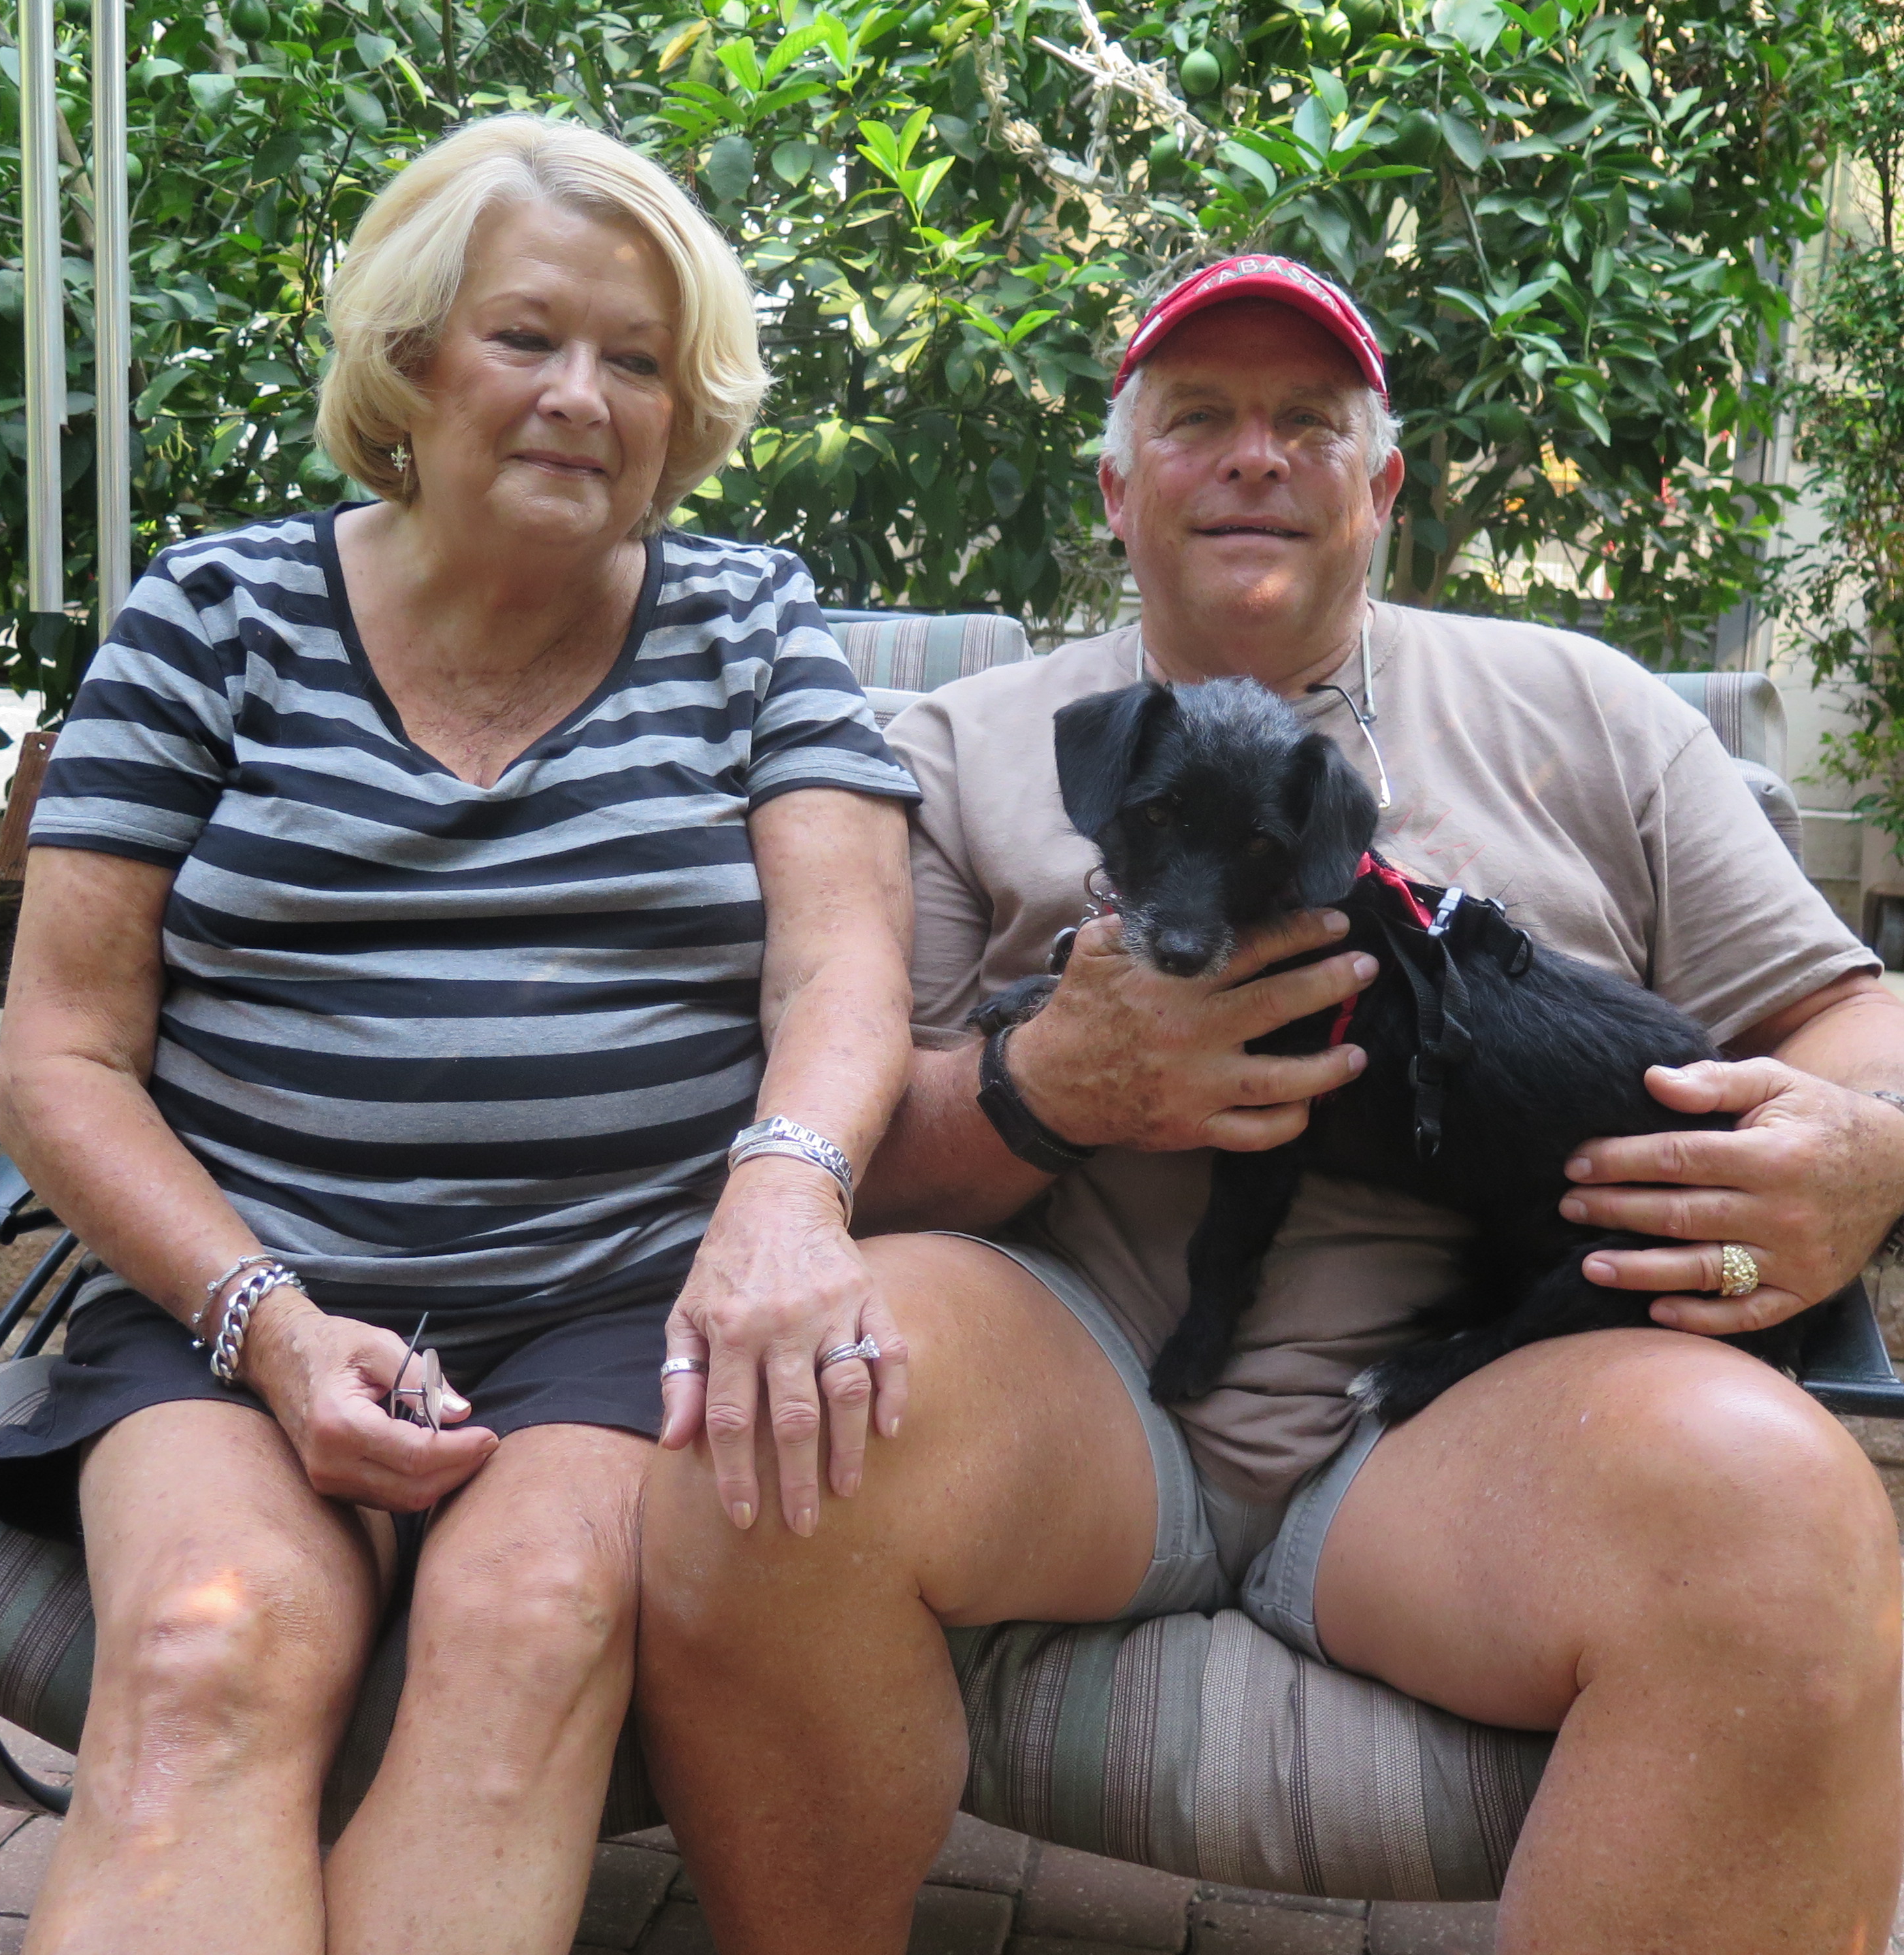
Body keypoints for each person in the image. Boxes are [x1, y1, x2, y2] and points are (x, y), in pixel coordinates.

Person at [638, 254, 1904, 1954]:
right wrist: (1041, 1084)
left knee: (1790, 1534)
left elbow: (1848, 1013)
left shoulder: (1590, 712)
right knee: (765, 1434)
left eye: (1310, 421)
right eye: (1197, 419)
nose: (1256, 455)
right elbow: (856, 1129)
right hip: (1072, 1381)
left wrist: (1864, 1147)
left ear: (1384, 488)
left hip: (1481, 1412)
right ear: (1117, 489)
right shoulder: (960, 744)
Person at [0, 114, 917, 1955]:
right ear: (411, 361)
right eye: (527, 337)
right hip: (238, 1287)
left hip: (614, 1307)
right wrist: (271, 1326)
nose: (580, 396)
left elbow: (844, 976)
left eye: (635, 360)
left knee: (530, 1629)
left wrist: (781, 1198)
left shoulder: (750, 623)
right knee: (205, 1652)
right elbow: (60, 1055)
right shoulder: (213, 617)